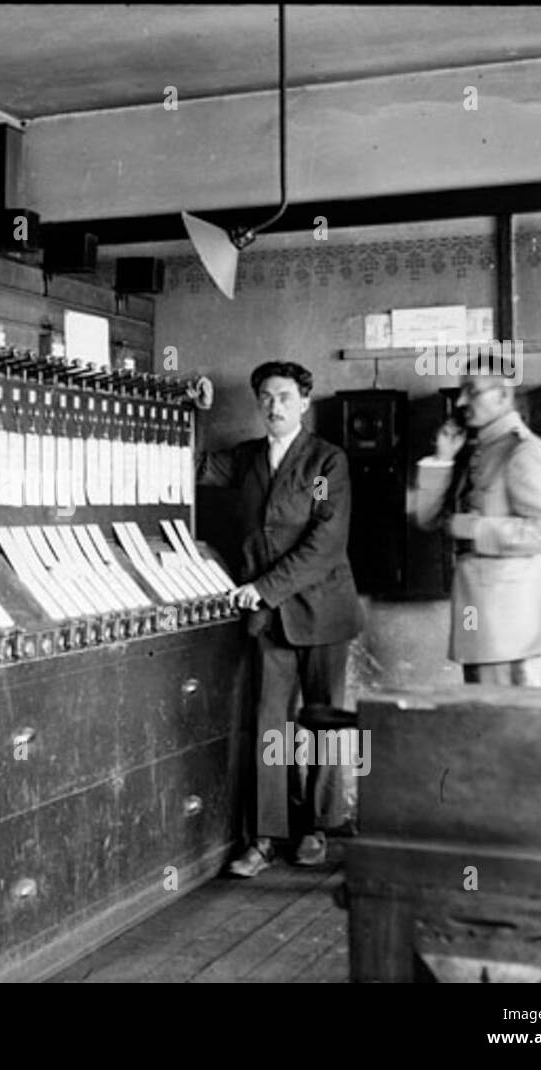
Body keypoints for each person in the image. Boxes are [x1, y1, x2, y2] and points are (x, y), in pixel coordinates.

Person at [197, 361, 363, 878]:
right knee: (271, 726)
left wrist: (264, 589)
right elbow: (193, 465)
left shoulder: (323, 465)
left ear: (304, 402)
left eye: (285, 397)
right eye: (266, 397)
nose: (274, 406)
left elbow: (324, 541)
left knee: (323, 722)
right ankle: (266, 838)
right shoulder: (245, 459)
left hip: (320, 610)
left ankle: (317, 829)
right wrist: (196, 414)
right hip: (270, 620)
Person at [409, 372, 541, 686]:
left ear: (501, 396)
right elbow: (428, 519)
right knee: (485, 716)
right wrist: (442, 458)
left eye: (472, 392)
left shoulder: (524, 451)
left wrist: (476, 529)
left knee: (508, 723)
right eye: (462, 392)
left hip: (511, 620)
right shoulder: (478, 448)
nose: (460, 401)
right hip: (479, 608)